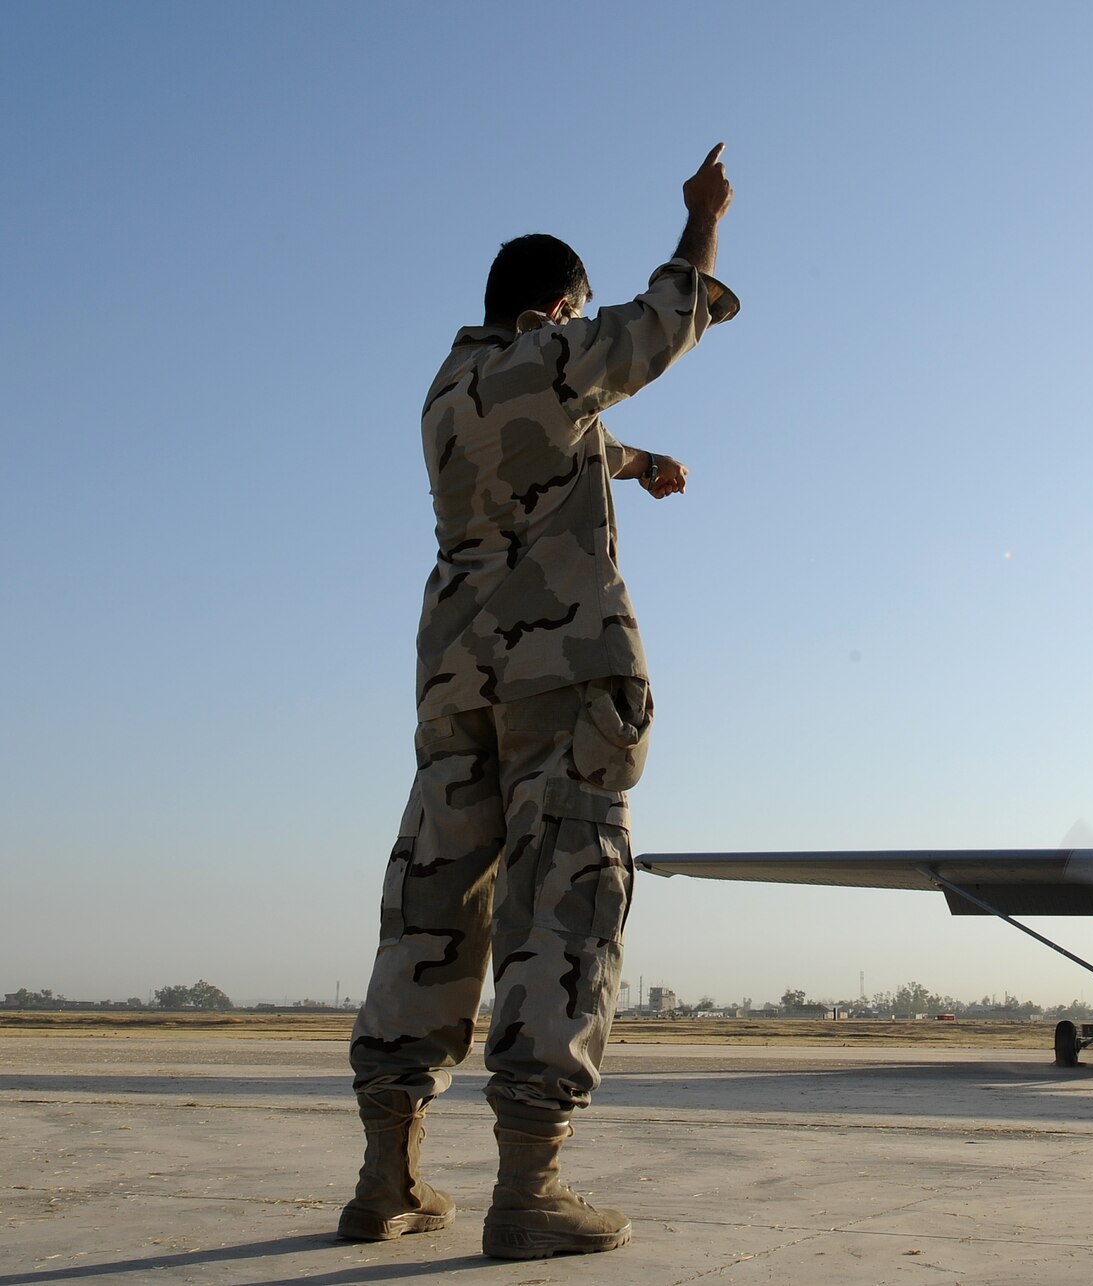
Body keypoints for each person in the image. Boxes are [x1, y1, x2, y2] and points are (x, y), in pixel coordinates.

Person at [339, 143, 738, 1260]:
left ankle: (386, 1177)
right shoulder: (552, 358)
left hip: (455, 686)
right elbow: (660, 321)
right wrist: (702, 220)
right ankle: (531, 1189)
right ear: (556, 307)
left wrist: (640, 463)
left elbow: (567, 433)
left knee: (429, 916)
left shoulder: (446, 393)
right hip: (561, 680)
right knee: (563, 907)